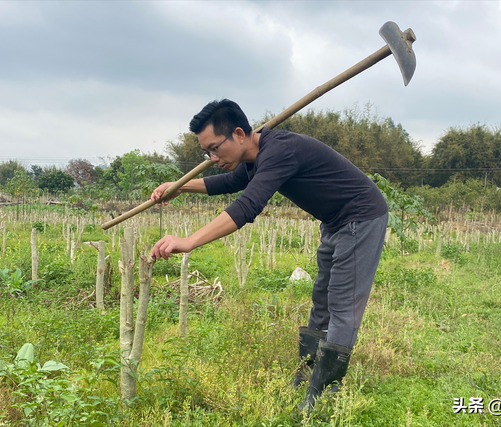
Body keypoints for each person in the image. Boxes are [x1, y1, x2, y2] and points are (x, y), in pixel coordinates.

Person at [150, 99, 388, 410]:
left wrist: (190, 241)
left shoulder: (279, 151)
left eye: (215, 149)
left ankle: (322, 395)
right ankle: (306, 374)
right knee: (322, 300)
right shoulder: (254, 155)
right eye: (207, 152)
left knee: (342, 306)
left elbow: (248, 204)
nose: (212, 157)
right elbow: (233, 182)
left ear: (238, 134)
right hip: (335, 221)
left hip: (361, 216)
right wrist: (181, 187)